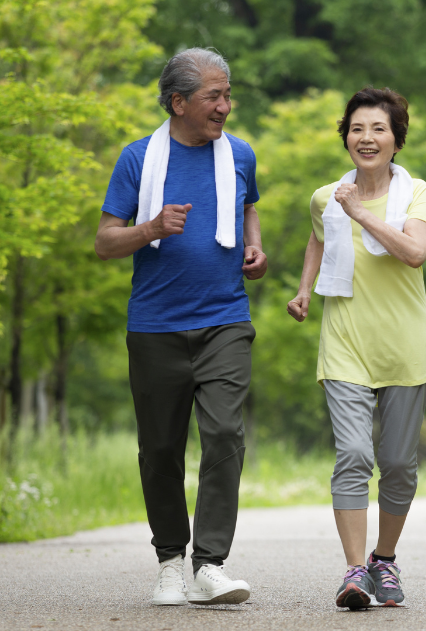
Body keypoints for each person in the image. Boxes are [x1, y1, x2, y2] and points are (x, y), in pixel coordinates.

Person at [94, 48, 266, 607]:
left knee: (223, 435)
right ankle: (170, 560)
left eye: (227, 93)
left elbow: (248, 208)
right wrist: (151, 228)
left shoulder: (239, 155)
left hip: (225, 319)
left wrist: (255, 246)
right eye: (214, 96)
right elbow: (104, 243)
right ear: (178, 102)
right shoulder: (138, 158)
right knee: (161, 448)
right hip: (155, 327)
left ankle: (210, 563)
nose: (226, 105)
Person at [286, 87, 426, 609]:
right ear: (346, 137)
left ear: (396, 139)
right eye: (357, 129)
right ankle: (355, 572)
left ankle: (384, 560)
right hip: (345, 344)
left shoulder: (414, 191)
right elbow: (318, 237)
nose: (367, 138)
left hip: (405, 349)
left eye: (378, 129)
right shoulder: (326, 196)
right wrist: (305, 289)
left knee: (398, 464)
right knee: (353, 455)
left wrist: (361, 214)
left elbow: (415, 252)